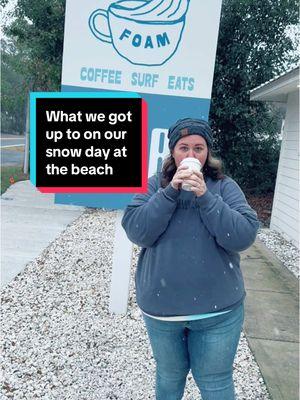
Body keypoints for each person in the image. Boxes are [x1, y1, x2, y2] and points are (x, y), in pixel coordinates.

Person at [121, 118, 259, 400]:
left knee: (215, 382)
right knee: (169, 377)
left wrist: (205, 197)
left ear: (207, 153)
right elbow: (137, 230)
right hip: (162, 311)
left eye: (199, 148)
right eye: (184, 148)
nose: (191, 155)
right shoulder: (155, 186)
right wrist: (170, 192)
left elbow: (243, 235)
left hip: (218, 312)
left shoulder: (223, 187)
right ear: (173, 152)